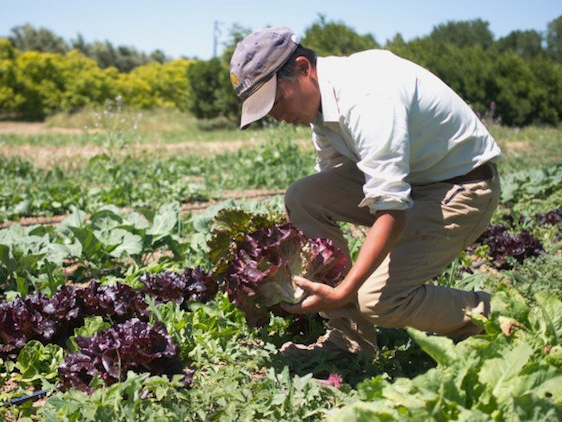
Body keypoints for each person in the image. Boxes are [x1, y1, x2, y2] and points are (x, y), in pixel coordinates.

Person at [229, 27, 502, 357]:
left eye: (275, 100)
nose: (275, 114)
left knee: (378, 300)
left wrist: (345, 289)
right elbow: (330, 188)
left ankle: (494, 315)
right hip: (414, 181)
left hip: (460, 188)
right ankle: (351, 341)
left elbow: (392, 213)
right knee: (304, 197)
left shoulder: (366, 97)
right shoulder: (320, 107)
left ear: (303, 68)